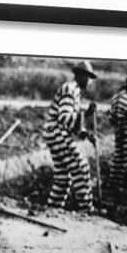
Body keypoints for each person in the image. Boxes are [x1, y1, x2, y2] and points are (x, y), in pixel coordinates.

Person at [42, 60, 97, 212]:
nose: (90, 81)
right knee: (81, 167)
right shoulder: (69, 89)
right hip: (57, 132)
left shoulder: (76, 92)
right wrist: (86, 114)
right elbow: (64, 117)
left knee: (63, 177)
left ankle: (53, 209)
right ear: (80, 76)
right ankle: (86, 209)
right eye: (88, 77)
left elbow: (75, 125)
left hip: (57, 133)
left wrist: (87, 134)